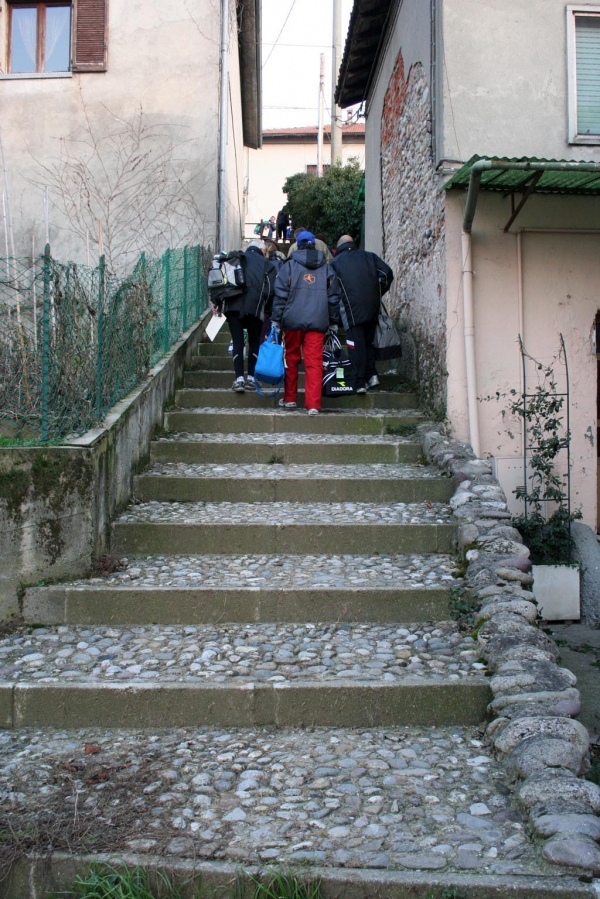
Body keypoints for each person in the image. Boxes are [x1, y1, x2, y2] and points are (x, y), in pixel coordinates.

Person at [271, 230, 341, 414]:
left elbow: (280, 295)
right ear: (314, 245)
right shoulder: (326, 268)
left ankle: (290, 399)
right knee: (314, 362)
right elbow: (334, 298)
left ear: (297, 244)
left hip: (292, 320)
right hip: (318, 321)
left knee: (291, 359)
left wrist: (276, 320)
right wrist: (333, 322)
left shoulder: (289, 266)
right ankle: (313, 404)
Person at [330, 234, 394, 394]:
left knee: (354, 345)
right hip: (371, 307)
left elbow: (332, 289)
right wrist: (377, 291)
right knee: (368, 343)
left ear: (338, 248)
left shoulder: (335, 263)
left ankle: (359, 382)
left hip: (351, 310)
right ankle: (372, 376)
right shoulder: (369, 257)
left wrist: (334, 315)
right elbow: (387, 274)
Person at [211, 240, 277, 392]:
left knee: (238, 341)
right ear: (263, 250)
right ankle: (251, 379)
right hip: (255, 308)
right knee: (254, 341)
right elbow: (271, 290)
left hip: (233, 307)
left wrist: (217, 302)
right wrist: (266, 309)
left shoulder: (235, 258)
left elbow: (221, 282)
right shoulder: (268, 265)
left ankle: (239, 379)